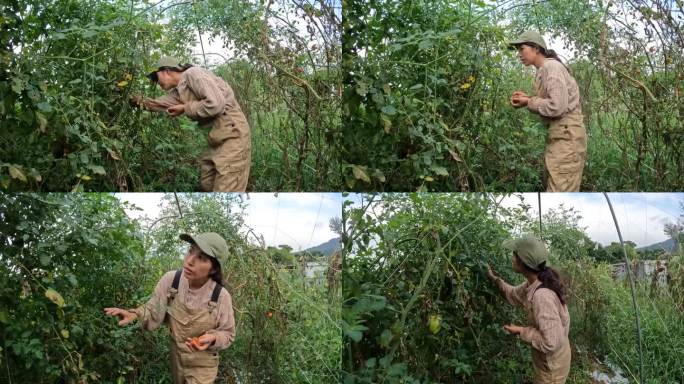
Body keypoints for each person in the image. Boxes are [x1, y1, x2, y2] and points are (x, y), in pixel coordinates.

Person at [104, 232, 236, 384]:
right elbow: (154, 309)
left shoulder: (220, 296)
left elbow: (228, 333)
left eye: (202, 258)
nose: (190, 261)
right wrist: (134, 314)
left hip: (203, 365)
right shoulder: (172, 281)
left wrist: (213, 338)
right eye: (190, 251)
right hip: (176, 360)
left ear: (213, 269)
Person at [130, 57, 251, 192]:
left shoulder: (193, 74)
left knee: (226, 188)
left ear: (166, 71)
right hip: (216, 138)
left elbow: (216, 104)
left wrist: (185, 108)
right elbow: (157, 104)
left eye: (156, 77)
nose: (156, 82)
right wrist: (132, 99)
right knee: (207, 184)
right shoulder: (180, 91)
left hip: (233, 134)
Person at [508, 31, 586, 192]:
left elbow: (557, 106)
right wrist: (528, 100)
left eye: (522, 49)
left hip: (567, 137)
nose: (519, 54)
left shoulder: (551, 67)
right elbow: (555, 102)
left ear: (536, 48)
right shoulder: (546, 69)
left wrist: (529, 101)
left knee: (560, 192)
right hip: (562, 136)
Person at [486, 236, 571, 384]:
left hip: (552, 369)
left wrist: (520, 331)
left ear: (523, 262)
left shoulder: (542, 296)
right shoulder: (535, 283)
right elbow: (513, 294)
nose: (512, 258)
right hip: (553, 360)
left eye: (514, 254)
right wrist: (494, 278)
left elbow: (550, 342)